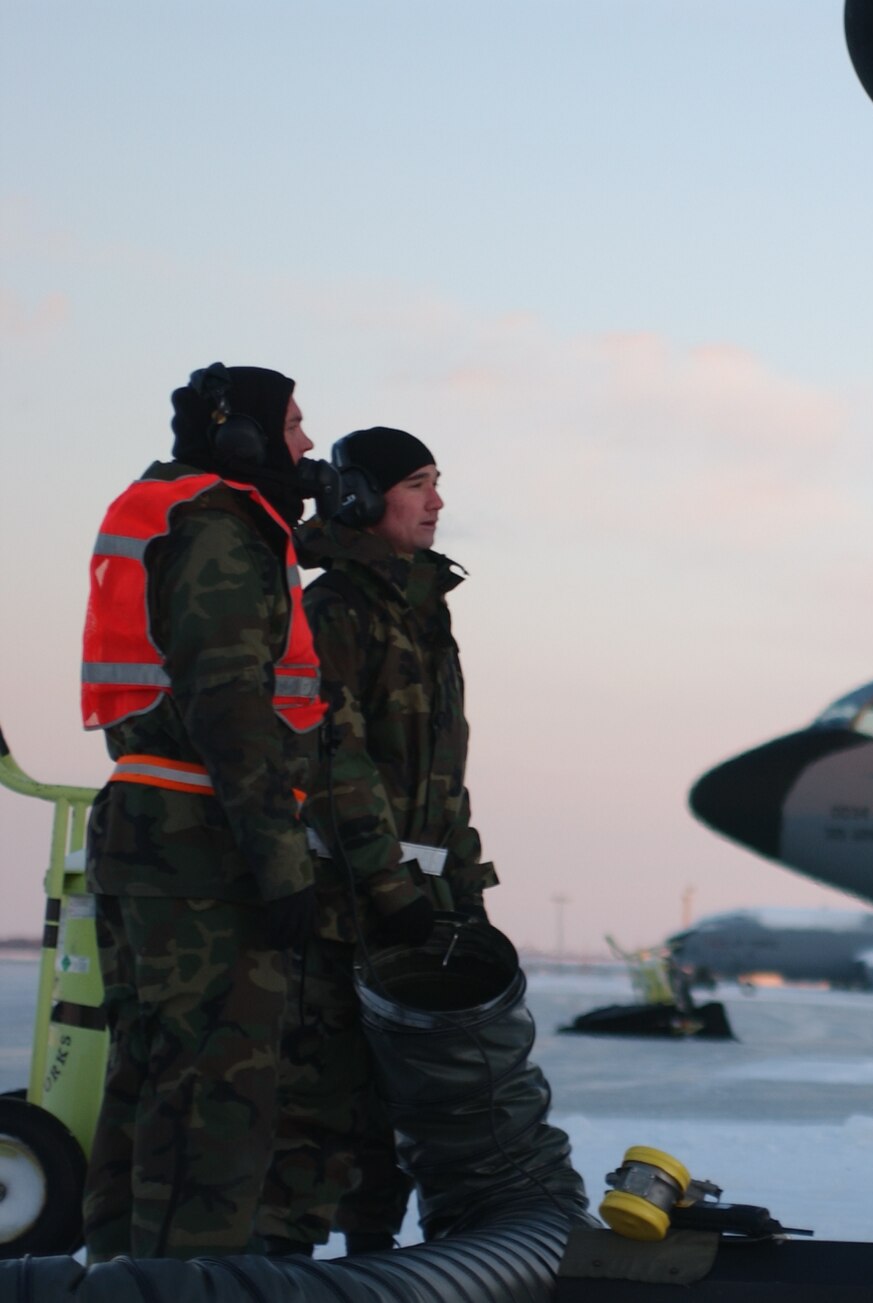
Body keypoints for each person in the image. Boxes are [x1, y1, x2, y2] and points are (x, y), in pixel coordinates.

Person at [80, 364, 325, 1260]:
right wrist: (281, 862)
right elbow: (232, 713)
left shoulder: (181, 513)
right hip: (203, 841)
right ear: (244, 438)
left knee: (150, 1079)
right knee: (217, 1097)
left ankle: (111, 1277)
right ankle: (185, 1284)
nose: (306, 444)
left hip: (155, 826)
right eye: (292, 426)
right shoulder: (218, 531)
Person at [258, 426, 499, 1255]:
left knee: (401, 1121)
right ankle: (278, 1272)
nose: (437, 502)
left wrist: (464, 895)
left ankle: (377, 1270)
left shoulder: (425, 617)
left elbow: (441, 778)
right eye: (419, 484)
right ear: (362, 496)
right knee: (315, 1114)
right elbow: (332, 757)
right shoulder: (334, 612)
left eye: (437, 483)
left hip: (415, 905)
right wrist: (390, 887)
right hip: (344, 910)